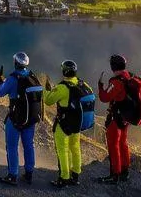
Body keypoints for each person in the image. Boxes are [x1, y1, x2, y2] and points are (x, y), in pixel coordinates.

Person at [0, 51, 42, 186]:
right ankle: (29, 174)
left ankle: (12, 175)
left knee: (11, 146)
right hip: (30, 119)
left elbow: (0, 93)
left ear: (15, 63)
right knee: (28, 145)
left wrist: (0, 83)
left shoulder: (12, 78)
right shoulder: (33, 77)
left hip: (15, 118)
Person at [44, 60, 92, 188]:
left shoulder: (62, 87)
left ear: (64, 71)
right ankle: (75, 175)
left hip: (64, 124)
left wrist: (46, 90)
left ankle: (64, 178)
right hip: (77, 125)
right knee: (75, 149)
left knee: (63, 150)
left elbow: (48, 100)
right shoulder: (83, 84)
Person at [97, 54, 134, 184]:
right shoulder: (129, 76)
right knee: (123, 143)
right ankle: (125, 171)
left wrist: (100, 87)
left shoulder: (116, 82)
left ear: (113, 66)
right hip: (126, 117)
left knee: (113, 145)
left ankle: (114, 175)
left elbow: (104, 97)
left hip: (116, 117)